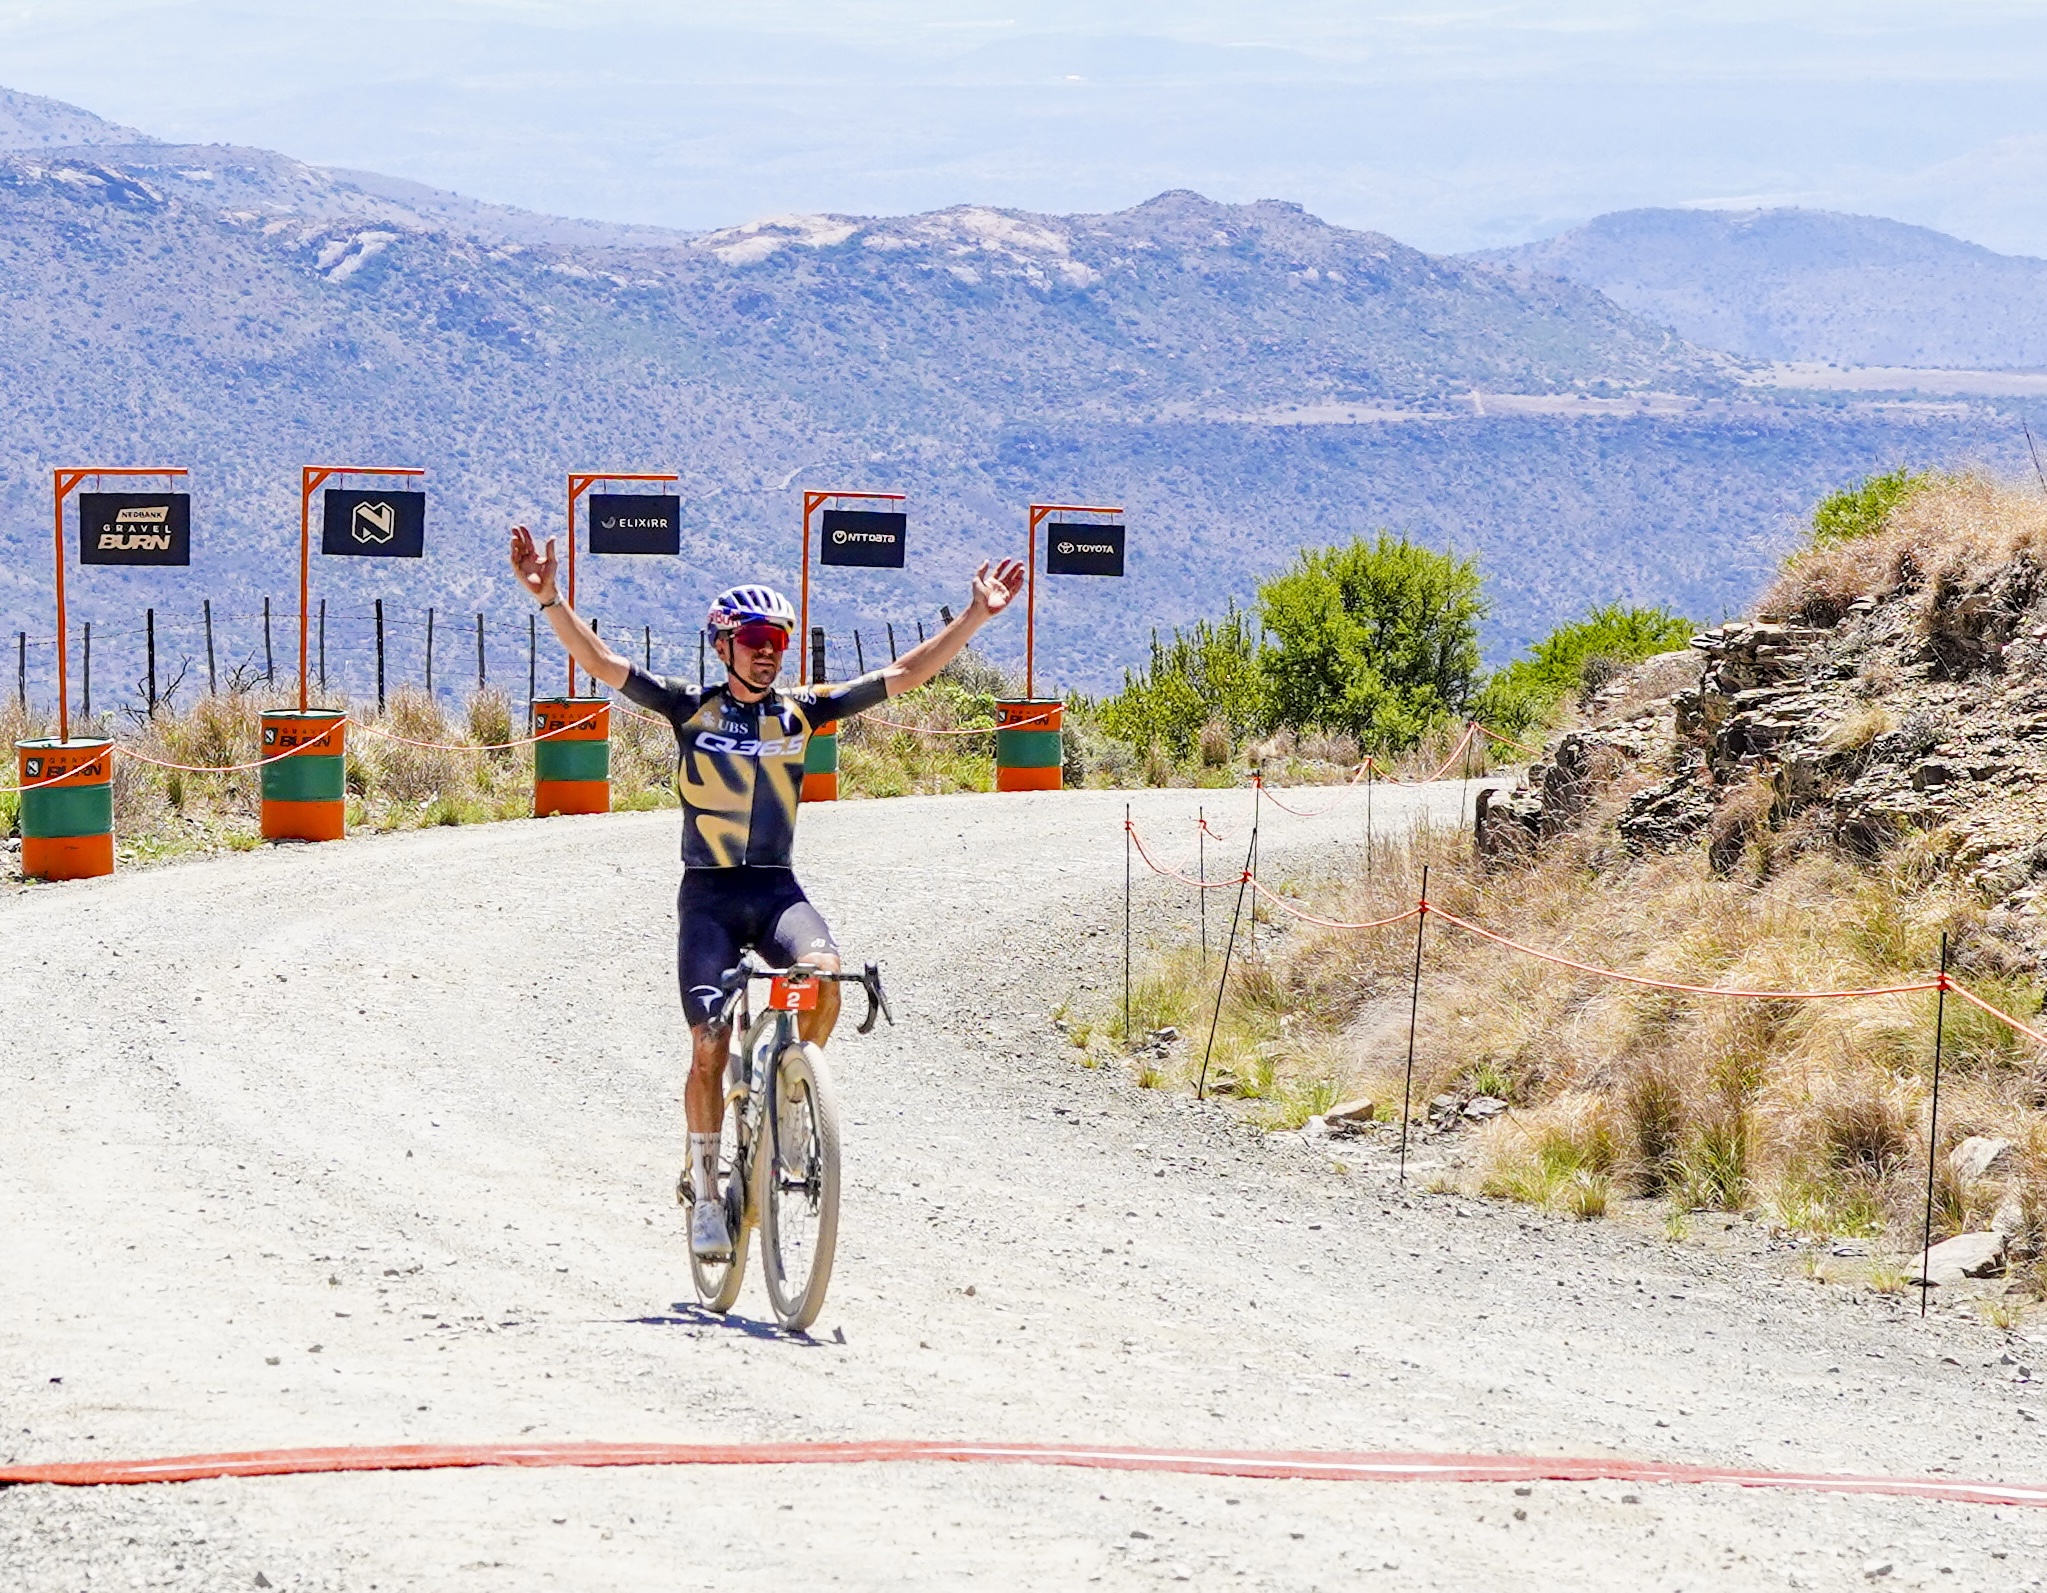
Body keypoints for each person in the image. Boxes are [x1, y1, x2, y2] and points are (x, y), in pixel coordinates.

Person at [509, 524, 1026, 1258]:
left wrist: (974, 616)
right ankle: (705, 1186)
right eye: (752, 635)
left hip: (778, 890)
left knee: (827, 982)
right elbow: (599, 660)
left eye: (778, 638)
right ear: (722, 646)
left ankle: (789, 1091)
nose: (768, 648)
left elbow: (905, 673)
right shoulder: (690, 707)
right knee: (709, 1041)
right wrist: (551, 598)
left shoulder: (802, 710)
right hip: (710, 899)